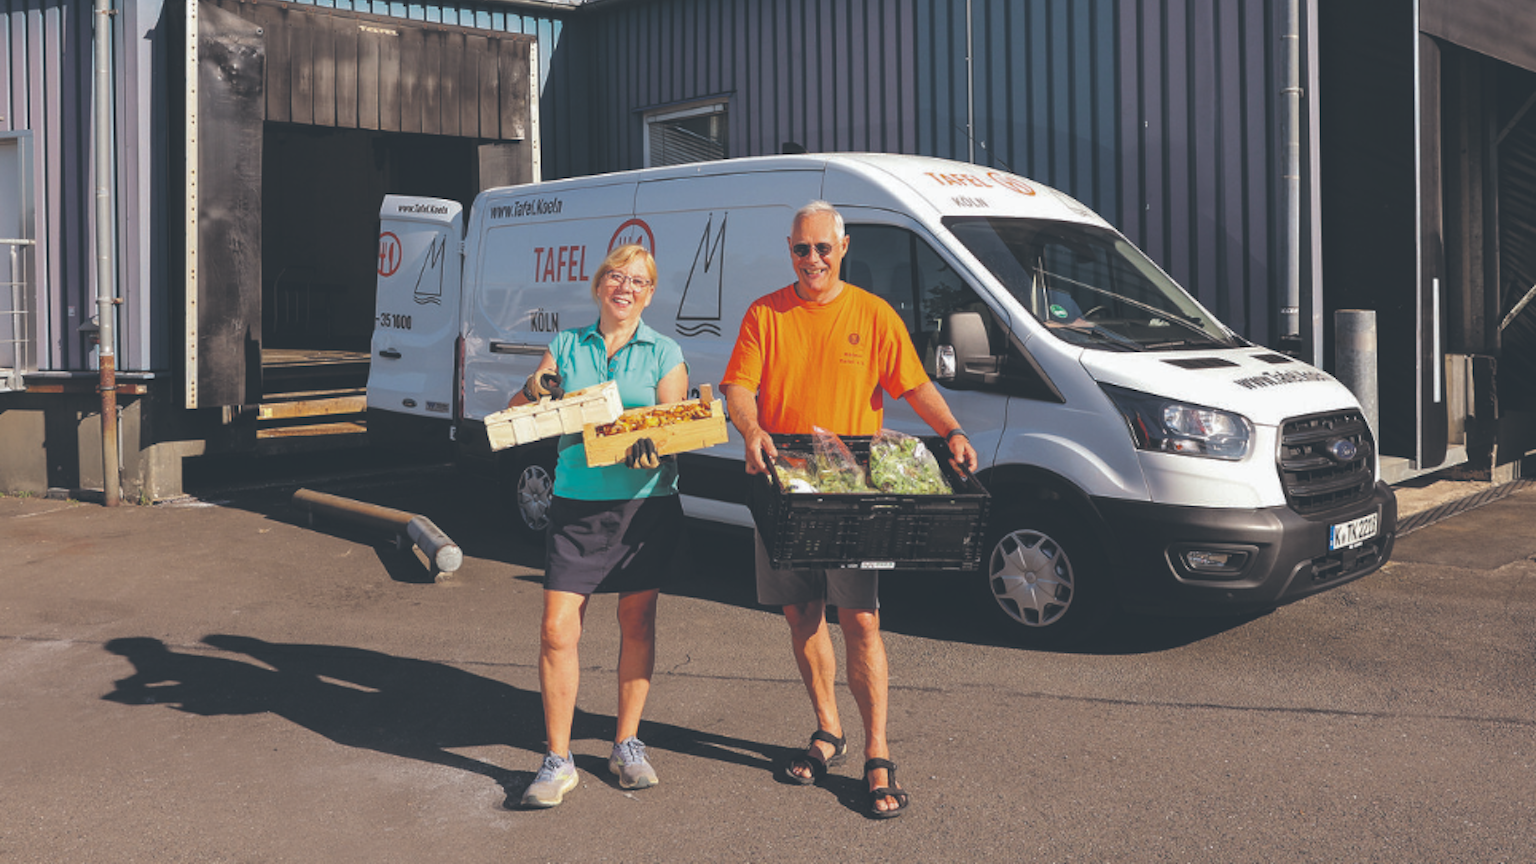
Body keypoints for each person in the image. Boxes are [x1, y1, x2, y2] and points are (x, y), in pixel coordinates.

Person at [721, 201, 979, 819]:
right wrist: (750, 428)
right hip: (783, 487)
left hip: (851, 493)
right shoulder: (765, 313)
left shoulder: (872, 313)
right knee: (801, 614)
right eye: (801, 249)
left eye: (823, 248)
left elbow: (914, 384)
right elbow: (738, 386)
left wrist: (952, 432)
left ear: (843, 248)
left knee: (860, 620)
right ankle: (827, 730)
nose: (812, 260)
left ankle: (878, 751)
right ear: (790, 249)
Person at [509, 244, 688, 809]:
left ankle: (626, 745)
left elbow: (675, 424)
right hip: (575, 505)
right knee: (558, 629)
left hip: (644, 508)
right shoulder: (565, 345)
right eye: (616, 276)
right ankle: (558, 760)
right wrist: (537, 389)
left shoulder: (666, 352)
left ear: (650, 293)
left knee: (636, 623)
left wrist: (652, 444)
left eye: (637, 280)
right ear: (598, 286)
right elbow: (520, 412)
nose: (625, 287)